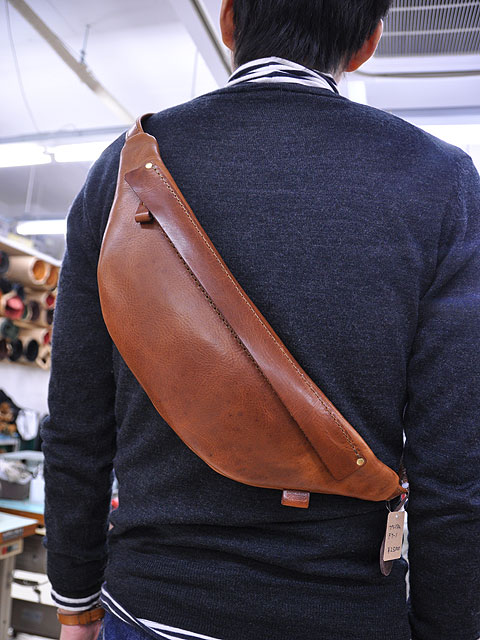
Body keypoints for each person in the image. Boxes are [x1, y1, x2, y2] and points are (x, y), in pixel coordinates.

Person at [40, 0, 480, 639]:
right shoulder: (442, 182)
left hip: (153, 608)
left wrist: (76, 602)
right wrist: (447, 627)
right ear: (369, 43)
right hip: (345, 611)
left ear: (227, 20)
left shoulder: (124, 170)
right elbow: (456, 465)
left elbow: (77, 423)